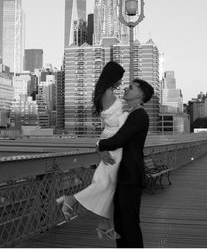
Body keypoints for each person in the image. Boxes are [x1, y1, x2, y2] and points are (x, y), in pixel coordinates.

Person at [56, 61, 128, 240]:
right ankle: (71, 199)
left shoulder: (105, 93)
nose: (121, 82)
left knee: (109, 184)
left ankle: (105, 224)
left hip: (112, 141)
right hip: (113, 144)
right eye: (120, 78)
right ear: (113, 77)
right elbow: (115, 122)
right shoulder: (108, 94)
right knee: (106, 184)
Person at [97, 78, 154, 248]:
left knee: (129, 225)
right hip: (124, 176)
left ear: (141, 94)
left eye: (131, 88)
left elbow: (118, 140)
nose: (125, 90)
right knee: (121, 224)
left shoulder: (139, 115)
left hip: (131, 177)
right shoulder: (131, 114)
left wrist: (99, 145)